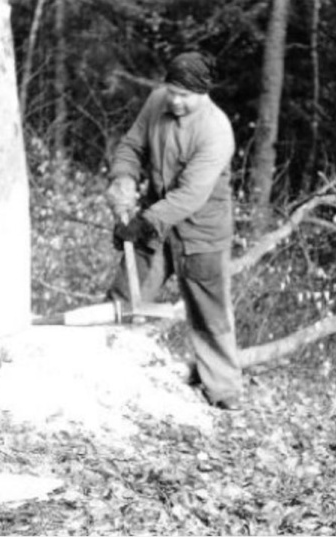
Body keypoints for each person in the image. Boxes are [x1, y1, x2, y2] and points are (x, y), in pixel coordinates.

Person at [105, 51, 242, 411]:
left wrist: (143, 222)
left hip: (201, 230)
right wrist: (122, 182)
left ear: (204, 91)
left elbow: (191, 195)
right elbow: (132, 145)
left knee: (208, 310)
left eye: (186, 95)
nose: (177, 101)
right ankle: (103, 368)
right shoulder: (157, 101)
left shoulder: (216, 130)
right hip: (156, 217)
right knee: (124, 296)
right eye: (173, 91)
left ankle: (223, 390)